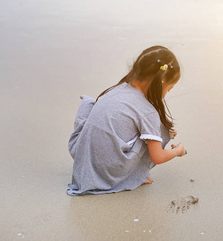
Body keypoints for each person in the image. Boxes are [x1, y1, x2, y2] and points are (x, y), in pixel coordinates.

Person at [67, 45, 186, 195]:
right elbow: (158, 157)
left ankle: (121, 172)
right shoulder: (147, 111)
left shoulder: (116, 90)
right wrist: (177, 151)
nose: (166, 94)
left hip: (84, 160)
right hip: (107, 171)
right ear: (160, 82)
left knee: (153, 129)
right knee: (154, 132)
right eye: (169, 89)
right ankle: (128, 177)